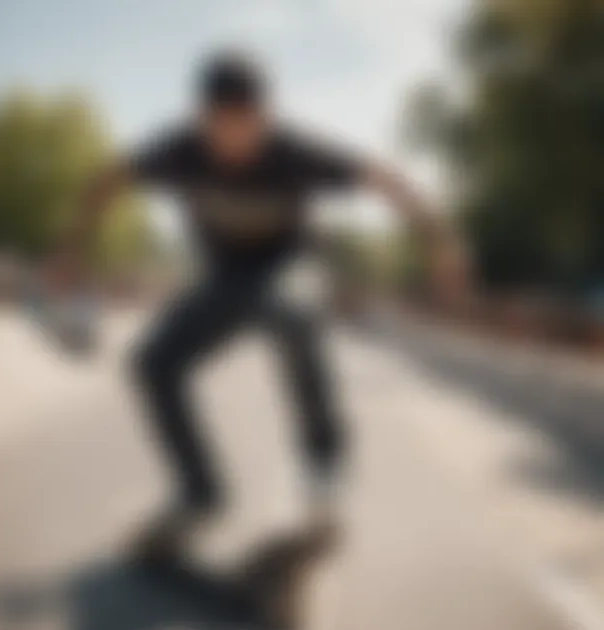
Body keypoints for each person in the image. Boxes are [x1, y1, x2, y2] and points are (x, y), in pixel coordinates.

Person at [55, 50, 469, 558]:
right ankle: (201, 493)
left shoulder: (294, 150)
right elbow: (108, 180)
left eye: (245, 126)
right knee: (152, 364)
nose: (233, 141)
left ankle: (323, 474)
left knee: (290, 313)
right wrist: (71, 248)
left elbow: (382, 178)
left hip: (292, 267)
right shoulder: (179, 149)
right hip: (226, 279)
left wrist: (441, 242)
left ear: (265, 117)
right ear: (202, 118)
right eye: (220, 127)